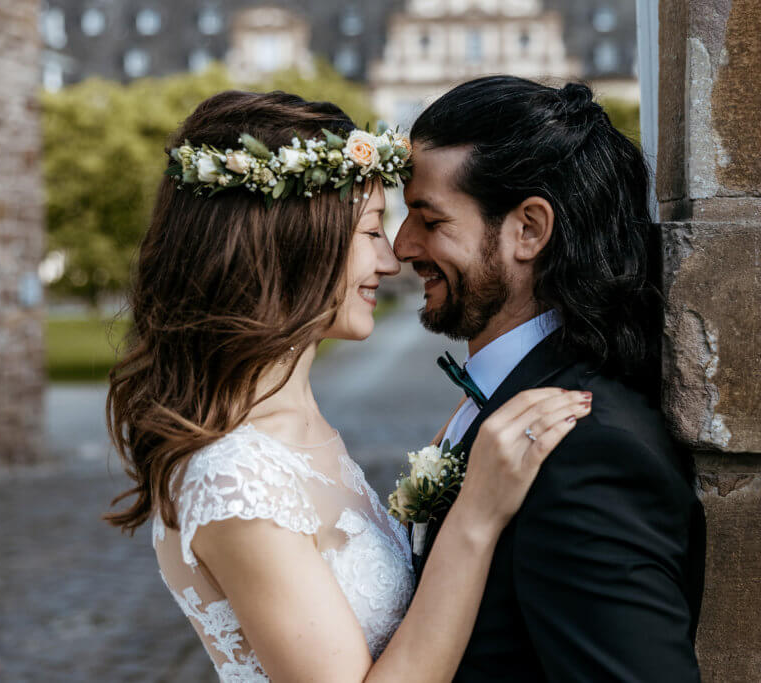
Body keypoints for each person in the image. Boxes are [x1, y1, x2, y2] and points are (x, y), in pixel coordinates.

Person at [105, 90, 591, 682]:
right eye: (369, 233)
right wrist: (476, 516)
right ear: (291, 244)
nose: (391, 261)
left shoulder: (298, 425)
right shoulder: (234, 479)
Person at [393, 75, 706, 681]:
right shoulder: (511, 397)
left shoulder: (587, 452)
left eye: (428, 219)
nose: (402, 245)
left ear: (529, 229)